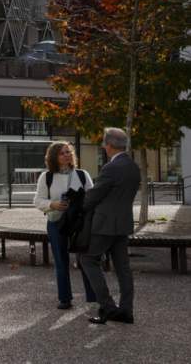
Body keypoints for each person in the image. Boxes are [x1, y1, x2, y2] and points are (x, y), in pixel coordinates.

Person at [80, 127, 141, 325]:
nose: (103, 147)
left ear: (109, 145)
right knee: (123, 268)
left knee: (88, 259)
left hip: (104, 224)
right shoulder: (133, 166)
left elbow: (94, 196)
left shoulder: (110, 168)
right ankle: (126, 311)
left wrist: (76, 207)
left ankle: (108, 307)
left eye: (104, 143)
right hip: (123, 224)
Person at [32, 142, 95, 310]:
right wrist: (53, 204)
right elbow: (37, 200)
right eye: (62, 153)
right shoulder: (46, 177)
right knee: (61, 261)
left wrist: (80, 204)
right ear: (54, 157)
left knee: (85, 260)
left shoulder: (82, 174)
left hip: (79, 224)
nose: (67, 155)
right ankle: (64, 298)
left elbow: (92, 198)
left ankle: (93, 298)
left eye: (68, 152)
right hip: (56, 223)